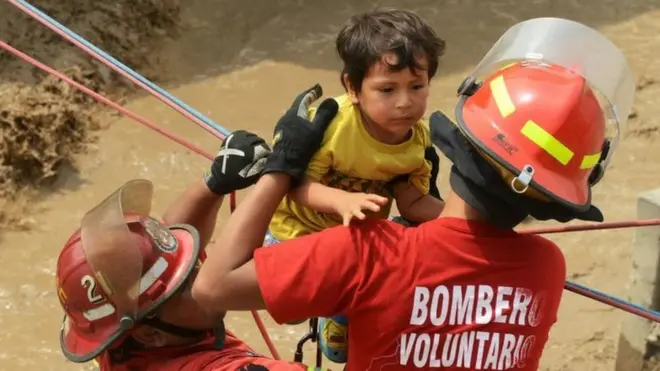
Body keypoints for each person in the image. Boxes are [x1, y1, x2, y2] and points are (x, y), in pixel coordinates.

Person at [191, 17, 636, 370]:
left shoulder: (368, 253)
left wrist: (280, 167)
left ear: (463, 143)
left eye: (415, 87)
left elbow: (211, 289)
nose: (403, 102)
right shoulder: (546, 270)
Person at [53, 87, 340, 370]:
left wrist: (213, 184)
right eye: (187, 284)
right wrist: (282, 167)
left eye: (191, 268)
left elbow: (168, 244)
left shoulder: (123, 336)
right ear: (151, 334)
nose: (204, 271)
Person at [264, 9, 446, 363]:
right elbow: (296, 186)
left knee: (339, 349)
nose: (405, 102)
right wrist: (342, 202)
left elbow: (412, 204)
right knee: (290, 310)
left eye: (417, 87)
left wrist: (467, 220)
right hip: (296, 229)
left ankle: (340, 314)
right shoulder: (333, 124)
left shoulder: (417, 141)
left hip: (353, 242)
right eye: (387, 89)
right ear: (353, 87)